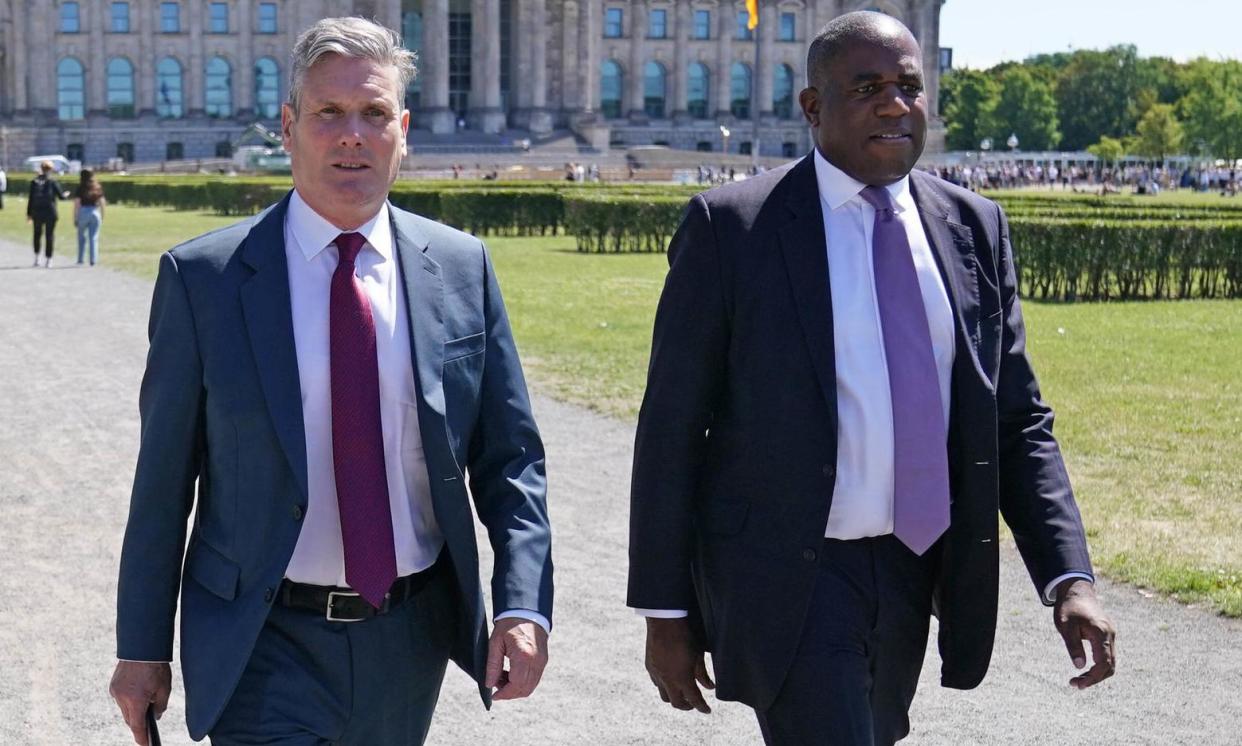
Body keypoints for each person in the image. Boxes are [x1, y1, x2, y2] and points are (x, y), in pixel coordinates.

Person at [627, 12, 1114, 746]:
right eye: (868, 87)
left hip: (917, 569)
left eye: (909, 87)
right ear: (814, 107)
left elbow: (1015, 421)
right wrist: (665, 609)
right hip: (795, 571)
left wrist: (1068, 578)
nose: (896, 104)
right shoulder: (733, 228)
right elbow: (672, 427)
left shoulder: (974, 227)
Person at [109, 17, 553, 746]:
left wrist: (523, 607)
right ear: (288, 126)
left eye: (374, 113)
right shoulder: (205, 281)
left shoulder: (462, 267)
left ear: (403, 130)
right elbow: (163, 483)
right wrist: (142, 647)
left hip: (407, 640)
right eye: (329, 113)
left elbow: (512, 462)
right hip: (263, 635)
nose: (353, 134)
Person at [27, 160, 69, 268]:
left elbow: (31, 199)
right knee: (49, 236)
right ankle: (48, 259)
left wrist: (29, 214)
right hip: (50, 212)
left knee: (37, 234)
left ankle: (36, 258)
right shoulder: (52, 182)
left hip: (37, 212)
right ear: (50, 170)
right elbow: (61, 197)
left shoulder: (34, 182)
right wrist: (66, 194)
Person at [74, 169, 107, 266]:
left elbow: (77, 204)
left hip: (83, 212)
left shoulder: (80, 188)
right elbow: (102, 203)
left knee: (81, 237)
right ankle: (93, 260)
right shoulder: (97, 187)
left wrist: (76, 217)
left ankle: (80, 259)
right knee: (93, 238)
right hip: (95, 212)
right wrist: (102, 215)